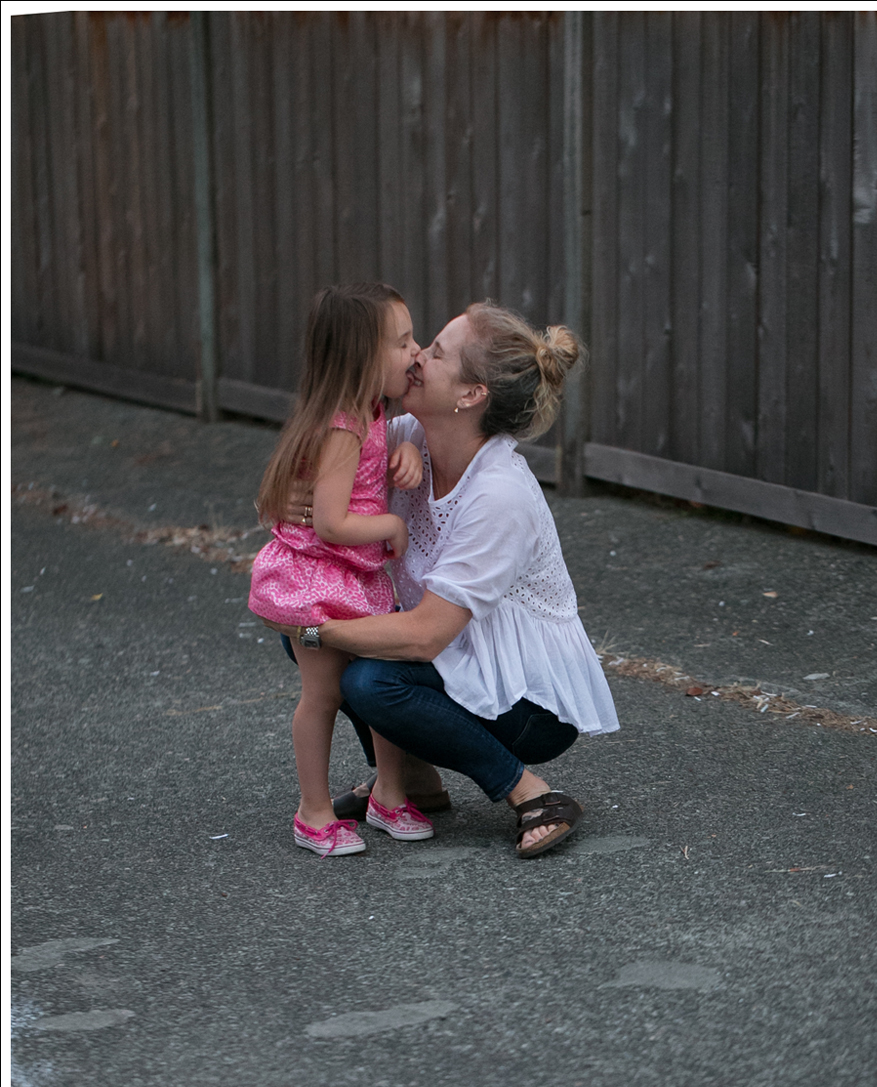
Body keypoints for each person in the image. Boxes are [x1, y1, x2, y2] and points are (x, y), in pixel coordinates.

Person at [286, 301, 619, 858]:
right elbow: (316, 468)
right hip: (457, 658)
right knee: (309, 626)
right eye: (421, 345)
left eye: (435, 353)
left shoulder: (500, 495)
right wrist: (285, 502)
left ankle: (530, 793)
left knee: (364, 674)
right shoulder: (410, 432)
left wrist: (318, 631)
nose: (415, 357)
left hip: (528, 698)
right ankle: (413, 780)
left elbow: (424, 636)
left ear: (471, 395)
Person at [248, 282, 435, 857]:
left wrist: (408, 451)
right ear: (361, 357)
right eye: (402, 343)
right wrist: (391, 527)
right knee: (323, 694)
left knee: (377, 691)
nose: (417, 352)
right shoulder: (343, 427)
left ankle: (389, 794)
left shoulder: (373, 411)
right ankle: (313, 812)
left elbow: (383, 459)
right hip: (316, 585)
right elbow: (331, 523)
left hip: (354, 580)